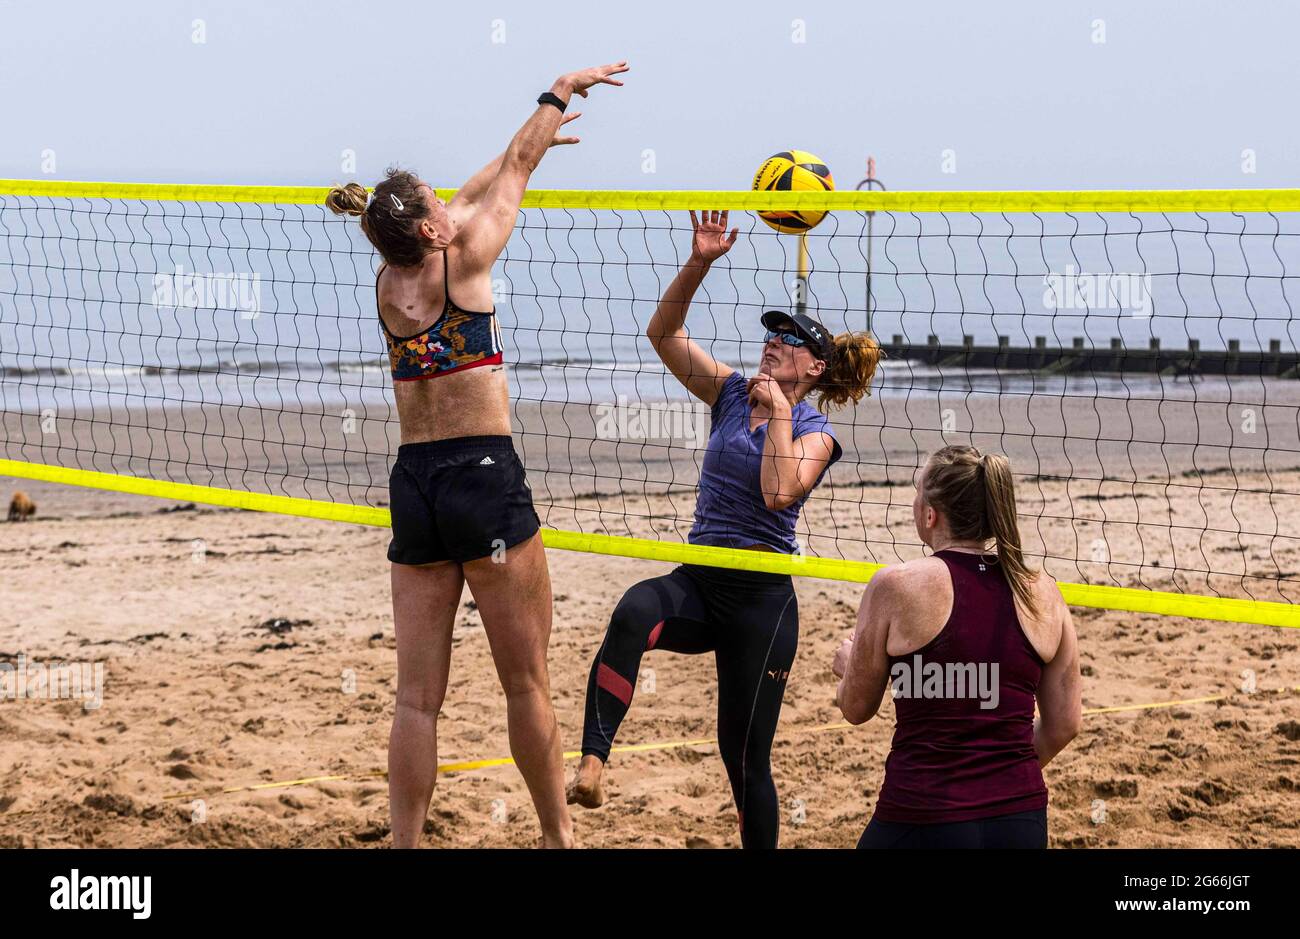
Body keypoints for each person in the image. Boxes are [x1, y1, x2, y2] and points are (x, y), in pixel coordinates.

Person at [325, 61, 629, 848]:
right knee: (525, 680)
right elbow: (509, 176)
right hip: (483, 476)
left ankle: (405, 844)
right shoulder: (467, 260)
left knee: (415, 698)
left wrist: (530, 139)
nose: (447, 203)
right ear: (432, 229)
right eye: (433, 202)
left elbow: (482, 180)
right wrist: (559, 91)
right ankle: (559, 838)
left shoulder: (391, 281)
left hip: (416, 482)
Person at [567, 209, 882, 848]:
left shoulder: (817, 434)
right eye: (772, 333)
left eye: (791, 340)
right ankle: (593, 766)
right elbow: (663, 333)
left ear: (816, 367)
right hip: (702, 582)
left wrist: (784, 414)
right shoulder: (732, 395)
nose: (774, 342)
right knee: (633, 611)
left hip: (762, 605)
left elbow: (777, 494)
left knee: (742, 759)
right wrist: (701, 261)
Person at [833, 444, 1082, 848]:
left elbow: (857, 708)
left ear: (930, 514)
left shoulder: (895, 585)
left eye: (917, 492)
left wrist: (848, 668)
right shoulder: (1043, 592)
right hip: (1020, 819)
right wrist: (998, 775)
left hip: (923, 814)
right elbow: (1065, 724)